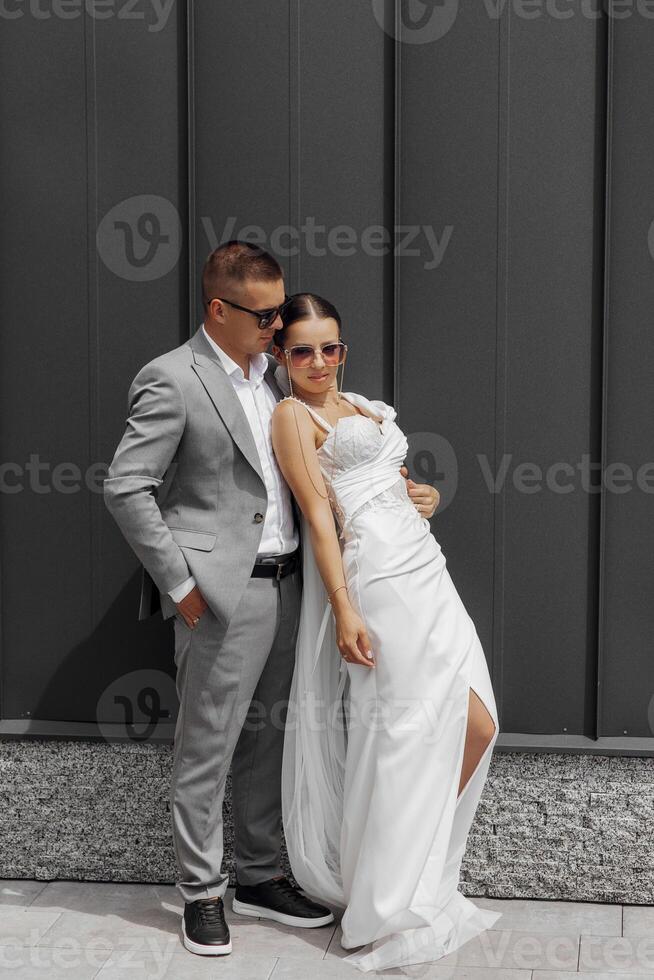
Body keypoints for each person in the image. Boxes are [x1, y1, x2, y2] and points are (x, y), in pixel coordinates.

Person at [103, 241, 439, 958]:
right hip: (223, 598)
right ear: (217, 309)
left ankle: (257, 876)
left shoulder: (277, 380)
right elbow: (126, 487)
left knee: (269, 738)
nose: (277, 326)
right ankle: (201, 892)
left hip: (294, 588)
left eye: (281, 311)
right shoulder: (172, 379)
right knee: (207, 746)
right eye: (264, 315)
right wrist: (184, 589)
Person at [270, 293, 503, 973]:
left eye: (330, 347)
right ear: (282, 356)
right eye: (303, 350)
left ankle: (422, 874)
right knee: (402, 735)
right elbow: (320, 516)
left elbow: (387, 482)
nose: (319, 362)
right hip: (376, 582)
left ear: (344, 348)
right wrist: (343, 608)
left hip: (427, 569)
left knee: (477, 724)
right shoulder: (294, 415)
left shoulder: (363, 407)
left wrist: (421, 496)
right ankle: (386, 900)